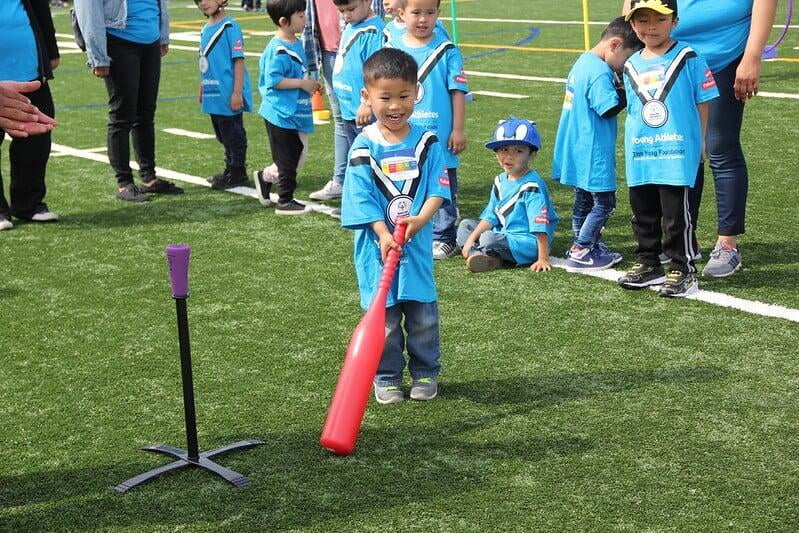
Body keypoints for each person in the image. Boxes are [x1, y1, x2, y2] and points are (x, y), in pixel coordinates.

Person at [623, 0, 777, 278]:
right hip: (666, 57)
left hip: (724, 56)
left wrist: (752, 56)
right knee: (676, 149)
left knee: (719, 146)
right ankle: (683, 243)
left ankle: (727, 244)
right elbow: (632, 7)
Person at [341, 48, 451, 404]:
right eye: (384, 97)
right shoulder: (362, 147)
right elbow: (361, 200)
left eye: (404, 96)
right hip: (378, 254)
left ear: (416, 92)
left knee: (423, 319)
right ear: (366, 97)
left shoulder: (427, 142)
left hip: (415, 251)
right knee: (385, 324)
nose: (395, 106)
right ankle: (386, 376)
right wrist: (383, 233)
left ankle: (425, 373)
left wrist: (421, 219)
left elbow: (438, 188)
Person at [617, 0, 719, 298]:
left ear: (674, 21)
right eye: (643, 20)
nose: (651, 27)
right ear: (632, 24)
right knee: (643, 213)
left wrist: (701, 140)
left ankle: (682, 268)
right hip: (641, 151)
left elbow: (703, 100)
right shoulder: (630, 63)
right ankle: (648, 263)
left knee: (676, 216)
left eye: (660, 20)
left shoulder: (689, 56)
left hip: (676, 152)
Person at [552, 17, 642, 272]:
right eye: (627, 61)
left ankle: (585, 244)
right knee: (604, 201)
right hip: (593, 149)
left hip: (575, 145)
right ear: (615, 45)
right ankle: (581, 248)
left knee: (583, 200)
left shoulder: (583, 62)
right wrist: (628, 90)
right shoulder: (600, 72)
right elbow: (607, 108)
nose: (625, 68)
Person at [73, 0, 183, 202]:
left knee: (146, 113)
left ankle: (149, 178)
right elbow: (88, 7)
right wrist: (98, 55)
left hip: (150, 40)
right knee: (122, 116)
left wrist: (163, 33)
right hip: (118, 40)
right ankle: (124, 183)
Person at [387, 0, 467, 260]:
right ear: (402, 14)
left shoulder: (447, 50)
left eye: (430, 12)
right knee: (408, 179)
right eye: (416, 13)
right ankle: (411, 229)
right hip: (405, 132)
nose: (423, 19)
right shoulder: (393, 49)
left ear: (438, 14)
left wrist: (457, 129)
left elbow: (458, 92)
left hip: (439, 135)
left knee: (442, 181)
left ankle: (444, 236)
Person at [302, 0, 384, 201]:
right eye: (341, 11)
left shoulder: (373, 31)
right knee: (357, 160)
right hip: (349, 112)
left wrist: (367, 104)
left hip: (364, 114)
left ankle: (375, 204)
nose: (346, 15)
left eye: (351, 9)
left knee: (371, 162)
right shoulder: (352, 25)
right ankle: (357, 198)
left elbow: (377, 73)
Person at [457, 117, 558, 273]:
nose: (509, 156)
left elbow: (540, 224)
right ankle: (484, 257)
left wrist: (543, 257)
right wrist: (471, 239)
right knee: (466, 226)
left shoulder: (532, 186)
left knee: (488, 238)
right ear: (496, 153)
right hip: (502, 234)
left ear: (532, 155)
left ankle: (482, 254)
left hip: (526, 242)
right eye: (504, 149)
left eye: (518, 151)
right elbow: (491, 215)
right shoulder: (500, 180)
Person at [255, 0, 322, 214]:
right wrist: (302, 83)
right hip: (280, 112)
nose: (305, 19)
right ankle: (285, 200)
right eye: (301, 16)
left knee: (298, 154)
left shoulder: (296, 41)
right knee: (288, 157)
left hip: (296, 110)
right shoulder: (278, 48)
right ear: (284, 22)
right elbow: (273, 80)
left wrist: (310, 84)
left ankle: (265, 177)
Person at [0, 0, 60, 232]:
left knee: (37, 139)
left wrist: (51, 51)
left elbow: (42, 11)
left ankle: (28, 203)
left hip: (29, 73)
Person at [195, 0, 254, 190]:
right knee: (222, 134)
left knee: (234, 134)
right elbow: (204, 59)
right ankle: (229, 168)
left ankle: (238, 172)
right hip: (213, 92)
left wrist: (237, 92)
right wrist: (202, 84)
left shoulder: (230, 26)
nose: (203, 3)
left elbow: (238, 61)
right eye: (198, 1)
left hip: (228, 92)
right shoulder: (205, 29)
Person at [381, 0, 449, 43]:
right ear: (401, 13)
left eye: (430, 13)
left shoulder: (435, 28)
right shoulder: (388, 30)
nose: (385, 2)